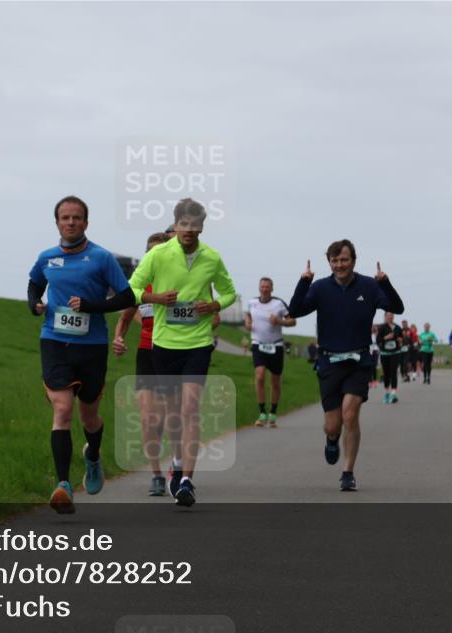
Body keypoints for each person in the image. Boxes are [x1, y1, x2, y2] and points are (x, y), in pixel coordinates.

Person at [28, 196, 136, 514]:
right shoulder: (47, 257)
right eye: (65, 217)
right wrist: (33, 304)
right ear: (57, 222)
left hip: (91, 346)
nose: (71, 222)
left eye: (77, 218)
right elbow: (34, 285)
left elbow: (127, 298)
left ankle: (93, 456)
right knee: (62, 409)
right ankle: (63, 485)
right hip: (55, 341)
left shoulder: (101, 258)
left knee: (88, 415)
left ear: (86, 223)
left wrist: (91, 306)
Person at [128, 198, 237, 507]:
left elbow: (230, 293)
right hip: (164, 344)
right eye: (183, 224)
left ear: (201, 227)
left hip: (198, 343)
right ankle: (176, 462)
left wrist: (214, 305)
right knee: (174, 412)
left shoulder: (212, 258)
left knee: (190, 408)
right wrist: (157, 298)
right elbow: (131, 290)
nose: (189, 230)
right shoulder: (159, 255)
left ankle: (187, 479)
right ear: (175, 226)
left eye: (194, 224)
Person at [288, 240, 404, 491]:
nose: (339, 265)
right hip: (329, 360)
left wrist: (385, 282)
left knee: (350, 415)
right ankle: (332, 439)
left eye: (344, 260)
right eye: (335, 260)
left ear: (353, 260)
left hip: (359, 360)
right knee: (333, 424)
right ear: (329, 262)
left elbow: (397, 307)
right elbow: (294, 311)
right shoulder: (320, 288)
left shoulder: (369, 286)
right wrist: (304, 281)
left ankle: (348, 472)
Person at [113, 232, 174, 496]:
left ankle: (177, 466)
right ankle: (157, 475)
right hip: (147, 355)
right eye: (150, 252)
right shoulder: (139, 287)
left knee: (169, 417)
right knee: (149, 418)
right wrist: (118, 339)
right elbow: (125, 318)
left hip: (173, 354)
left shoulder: (179, 284)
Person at [244, 277, 296, 427]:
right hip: (258, 344)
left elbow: (292, 321)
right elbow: (248, 314)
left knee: (275, 382)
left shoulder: (279, 304)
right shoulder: (252, 302)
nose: (265, 289)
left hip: (276, 346)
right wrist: (247, 322)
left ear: (272, 289)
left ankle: (272, 413)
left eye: (267, 287)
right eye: (262, 286)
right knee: (259, 376)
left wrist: (279, 322)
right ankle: (262, 413)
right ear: (259, 288)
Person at [375, 312, 403, 404]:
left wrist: (400, 340)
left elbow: (403, 340)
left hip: (395, 353)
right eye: (388, 316)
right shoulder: (382, 328)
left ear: (393, 317)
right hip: (384, 353)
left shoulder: (398, 328)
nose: (390, 317)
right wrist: (386, 338)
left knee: (393, 371)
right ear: (385, 317)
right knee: (386, 373)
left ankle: (393, 393)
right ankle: (387, 392)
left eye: (391, 316)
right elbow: (378, 340)